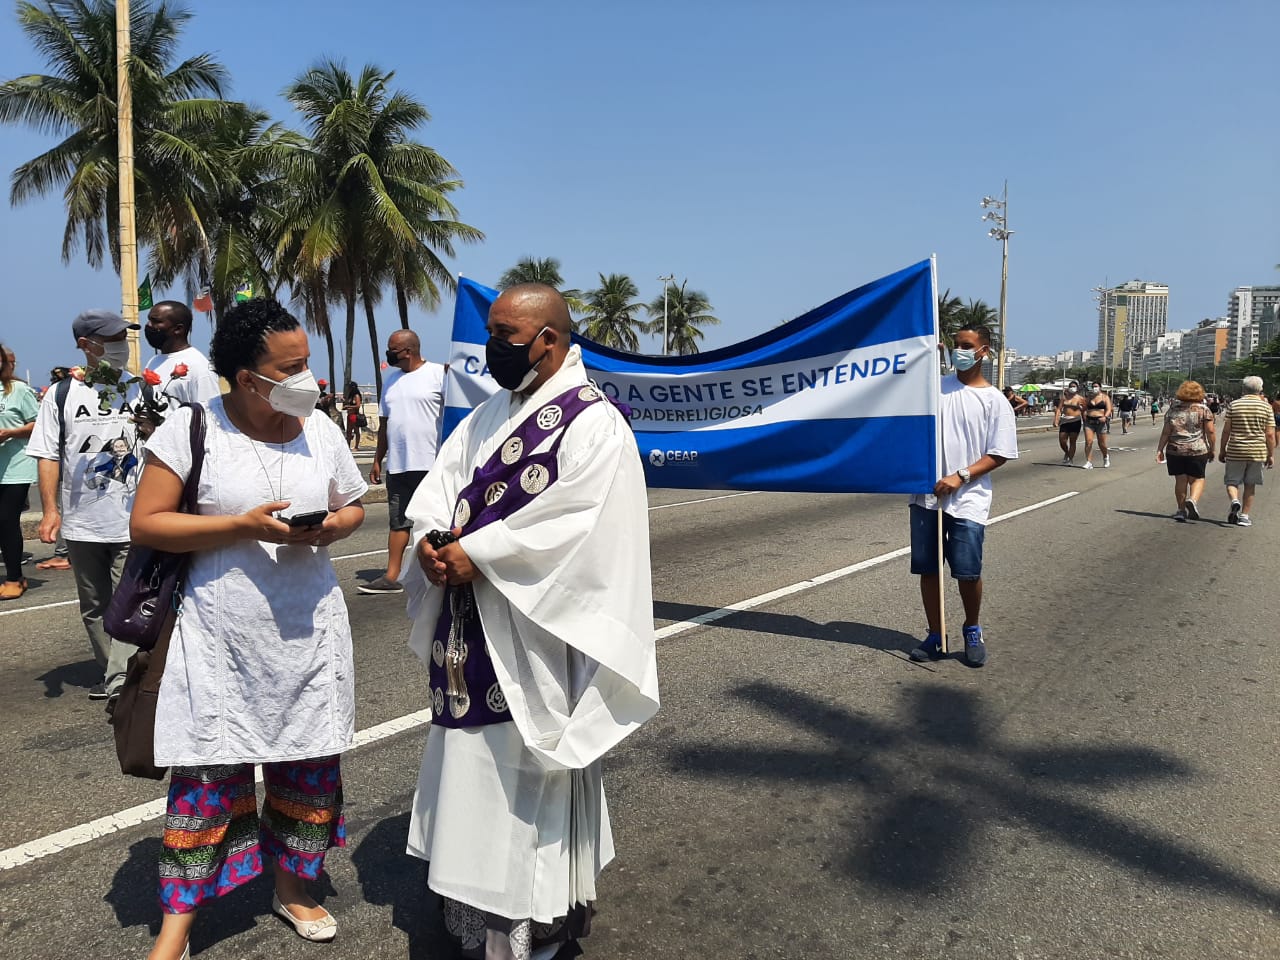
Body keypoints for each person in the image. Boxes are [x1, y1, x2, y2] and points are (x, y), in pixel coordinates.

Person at [404, 284, 659, 960]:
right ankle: (473, 916)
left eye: (505, 336)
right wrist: (431, 542)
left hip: (536, 639)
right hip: (468, 632)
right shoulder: (488, 415)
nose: (492, 348)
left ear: (548, 340)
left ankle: (528, 929)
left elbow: (582, 527)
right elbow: (438, 491)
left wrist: (482, 554)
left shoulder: (594, 424)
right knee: (471, 780)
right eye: (491, 333)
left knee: (524, 784)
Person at [130, 298, 367, 960]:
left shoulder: (319, 428)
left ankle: (294, 887)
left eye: (306, 363)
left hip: (308, 632)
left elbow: (353, 506)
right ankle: (177, 925)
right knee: (206, 782)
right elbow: (147, 522)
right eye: (290, 368)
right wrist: (241, 525)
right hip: (219, 637)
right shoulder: (192, 428)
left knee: (308, 768)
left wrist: (330, 527)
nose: (306, 378)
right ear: (246, 377)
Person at [27, 309, 141, 701]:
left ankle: (122, 680)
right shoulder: (61, 395)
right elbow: (47, 455)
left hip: (132, 519)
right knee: (94, 605)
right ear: (85, 345)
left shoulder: (141, 390)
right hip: (82, 523)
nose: (121, 346)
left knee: (128, 600)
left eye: (123, 338)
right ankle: (112, 670)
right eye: (111, 339)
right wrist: (50, 511)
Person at [907, 324, 1018, 668]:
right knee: (929, 569)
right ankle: (935, 633)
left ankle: (972, 628)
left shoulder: (994, 400)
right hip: (926, 495)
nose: (960, 351)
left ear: (984, 351)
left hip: (969, 498)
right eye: (956, 345)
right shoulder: (935, 389)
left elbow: (1000, 453)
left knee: (967, 572)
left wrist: (961, 476)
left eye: (967, 345)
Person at [361, 329, 446, 595]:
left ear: (408, 351)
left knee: (435, 521)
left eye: (392, 349)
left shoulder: (439, 374)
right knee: (398, 521)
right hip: (398, 465)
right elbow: (385, 424)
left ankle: (441, 571)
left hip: (431, 463)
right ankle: (391, 576)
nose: (388, 354)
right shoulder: (391, 381)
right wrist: (378, 459)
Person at [0, 343, 39, 599]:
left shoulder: (19, 390)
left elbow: (38, 424)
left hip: (15, 466)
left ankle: (14, 577)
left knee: (6, 520)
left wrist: (10, 433)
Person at [1218, 375, 1275, 527]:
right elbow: (1270, 434)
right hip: (1257, 451)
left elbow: (1226, 431)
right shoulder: (1266, 407)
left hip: (1236, 449)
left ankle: (1234, 500)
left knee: (1232, 481)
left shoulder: (1234, 405)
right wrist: (1271, 454)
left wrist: (1222, 450)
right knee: (1250, 484)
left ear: (1243, 389)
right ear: (1260, 389)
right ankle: (1244, 516)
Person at [142, 300, 222, 408]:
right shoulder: (153, 361)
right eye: (149, 320)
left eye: (156, 321)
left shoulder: (199, 367)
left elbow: (209, 412)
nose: (149, 325)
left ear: (178, 329)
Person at [1155, 380, 1215, 521]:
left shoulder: (1173, 410)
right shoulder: (1204, 410)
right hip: (1197, 450)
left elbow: (1166, 432)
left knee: (1180, 480)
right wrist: (1212, 448)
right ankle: (1192, 500)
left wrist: (1159, 450)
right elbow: (1210, 431)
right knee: (1197, 478)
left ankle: (1181, 510)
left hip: (1175, 450)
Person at [1082, 380, 1113, 469]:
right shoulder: (1089, 397)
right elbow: (1084, 408)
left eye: (1096, 386)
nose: (1094, 388)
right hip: (1089, 422)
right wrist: (1084, 416)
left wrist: (1105, 417)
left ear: (1100, 387)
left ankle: (1105, 457)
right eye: (1093, 386)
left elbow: (1109, 409)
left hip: (1100, 422)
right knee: (1088, 441)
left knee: (1102, 443)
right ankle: (1089, 462)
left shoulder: (1105, 397)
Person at [1054, 381, 1085, 465]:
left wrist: (1085, 421)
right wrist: (1056, 420)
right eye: (1071, 386)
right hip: (1065, 420)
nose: (1072, 388)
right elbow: (1059, 409)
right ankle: (1067, 453)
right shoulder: (1064, 398)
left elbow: (1084, 411)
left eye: (1074, 386)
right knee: (1062, 440)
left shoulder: (1080, 398)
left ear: (1077, 388)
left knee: (1072, 441)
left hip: (1075, 421)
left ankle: (1070, 459)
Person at [342, 381, 364, 450]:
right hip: (349, 415)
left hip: (354, 415)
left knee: (356, 431)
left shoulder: (356, 396)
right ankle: (348, 446)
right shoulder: (351, 397)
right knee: (349, 431)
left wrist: (348, 406)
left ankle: (356, 446)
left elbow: (358, 405)